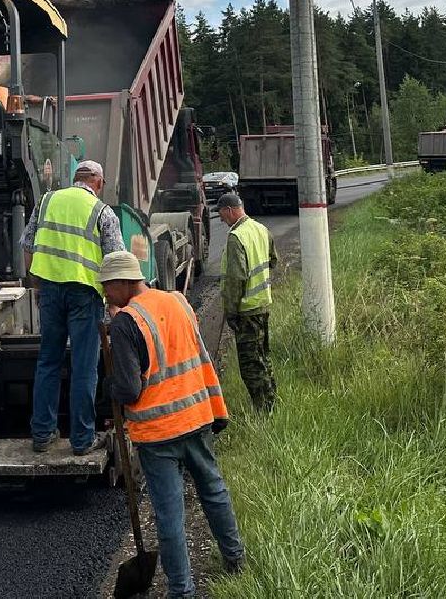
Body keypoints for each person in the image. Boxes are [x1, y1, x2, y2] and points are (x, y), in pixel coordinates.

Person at [102, 249, 245, 597]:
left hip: (159, 432)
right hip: (197, 416)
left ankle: (182, 591)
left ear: (122, 283)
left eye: (107, 287)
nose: (105, 294)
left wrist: (109, 386)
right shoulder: (178, 301)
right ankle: (236, 558)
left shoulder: (125, 323)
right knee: (213, 489)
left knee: (169, 515)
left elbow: (129, 388)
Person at [23, 158, 123, 455]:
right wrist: (116, 306)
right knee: (83, 366)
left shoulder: (46, 201)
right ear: (99, 183)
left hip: (50, 291)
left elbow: (28, 246)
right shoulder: (102, 212)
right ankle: (82, 440)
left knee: (48, 361)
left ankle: (42, 434)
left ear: (75, 177)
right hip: (84, 295)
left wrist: (37, 285)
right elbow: (116, 261)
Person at [217, 192, 276, 412]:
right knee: (263, 357)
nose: (222, 220)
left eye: (222, 215)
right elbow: (273, 260)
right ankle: (271, 402)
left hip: (246, 312)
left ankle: (263, 411)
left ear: (230, 210)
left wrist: (230, 311)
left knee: (251, 365)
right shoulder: (261, 229)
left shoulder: (237, 237)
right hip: (262, 306)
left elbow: (235, 279)